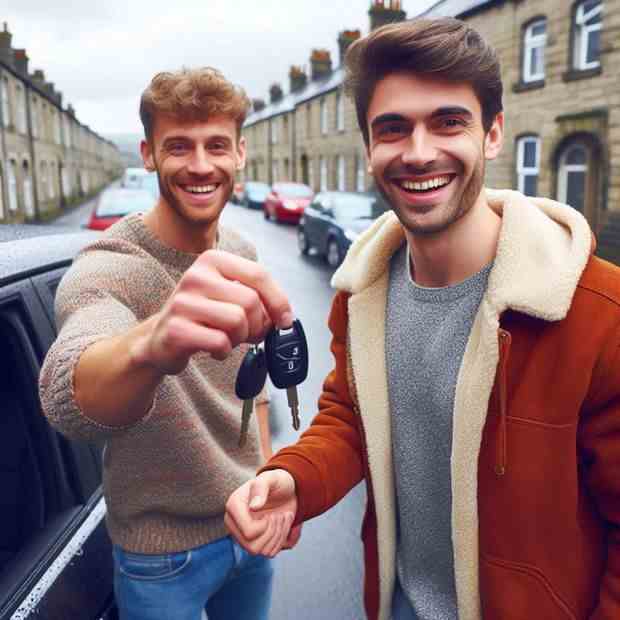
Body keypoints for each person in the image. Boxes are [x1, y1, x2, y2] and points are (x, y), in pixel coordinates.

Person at [225, 17, 620, 620]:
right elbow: (351, 419)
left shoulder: (597, 309)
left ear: (492, 134)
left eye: (448, 122)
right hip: (398, 604)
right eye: (392, 129)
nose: (417, 152)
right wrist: (295, 482)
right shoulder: (362, 293)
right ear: (369, 147)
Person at [39, 67, 299, 620]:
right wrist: (151, 344)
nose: (201, 165)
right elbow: (69, 391)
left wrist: (269, 475)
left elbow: (252, 389)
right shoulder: (111, 267)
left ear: (241, 153)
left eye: (216, 146)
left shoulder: (242, 251)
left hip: (250, 529)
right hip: (162, 559)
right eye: (178, 146)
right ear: (148, 153)